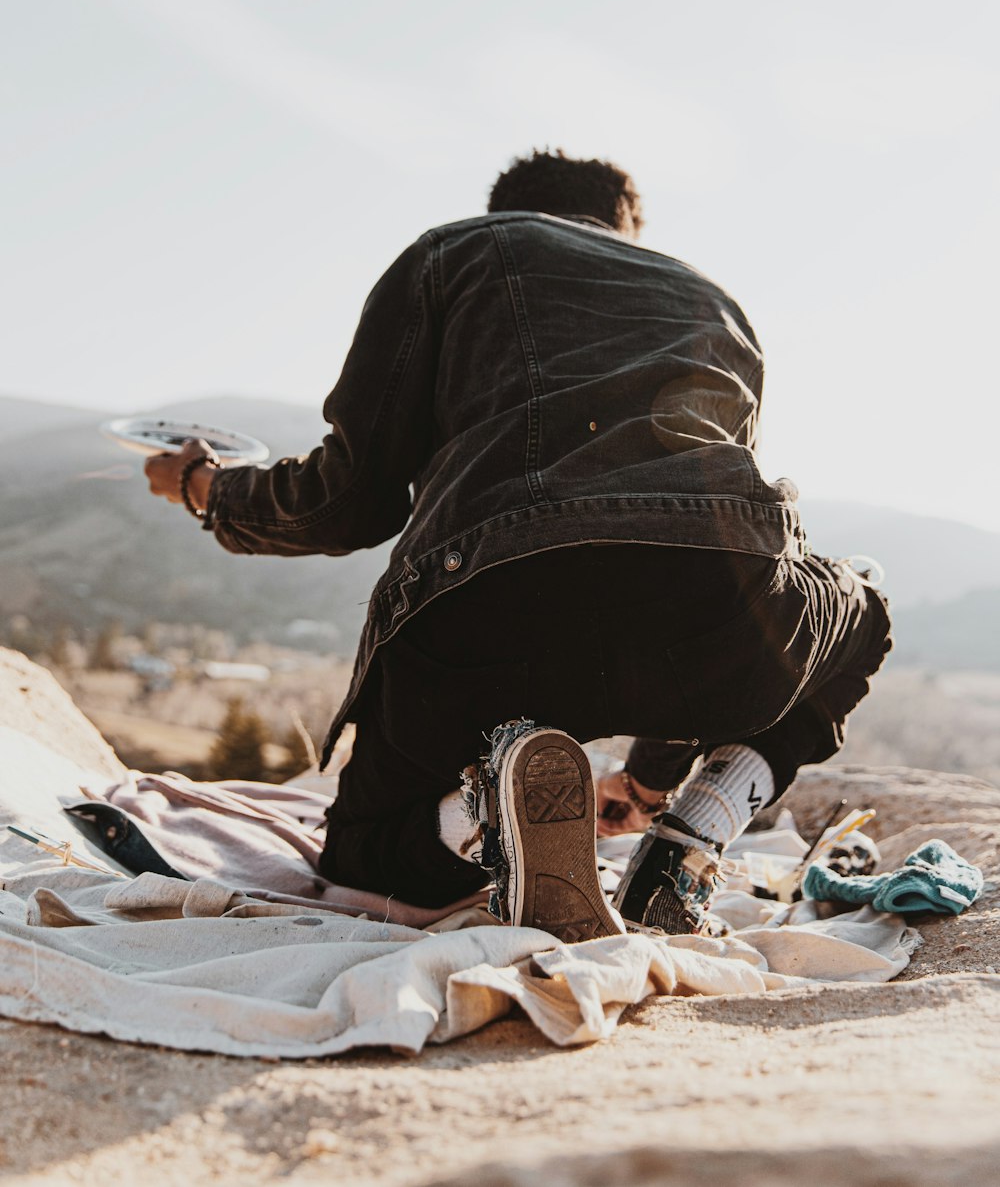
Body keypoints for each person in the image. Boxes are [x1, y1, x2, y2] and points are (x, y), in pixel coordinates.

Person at [145, 150, 892, 941]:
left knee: (364, 859)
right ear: (624, 228)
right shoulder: (712, 301)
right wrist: (651, 777)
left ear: (508, 208)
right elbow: (707, 541)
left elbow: (346, 502)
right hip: (716, 624)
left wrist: (206, 486)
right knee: (862, 604)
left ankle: (484, 805)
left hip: (486, 616)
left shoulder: (454, 252)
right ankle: (688, 841)